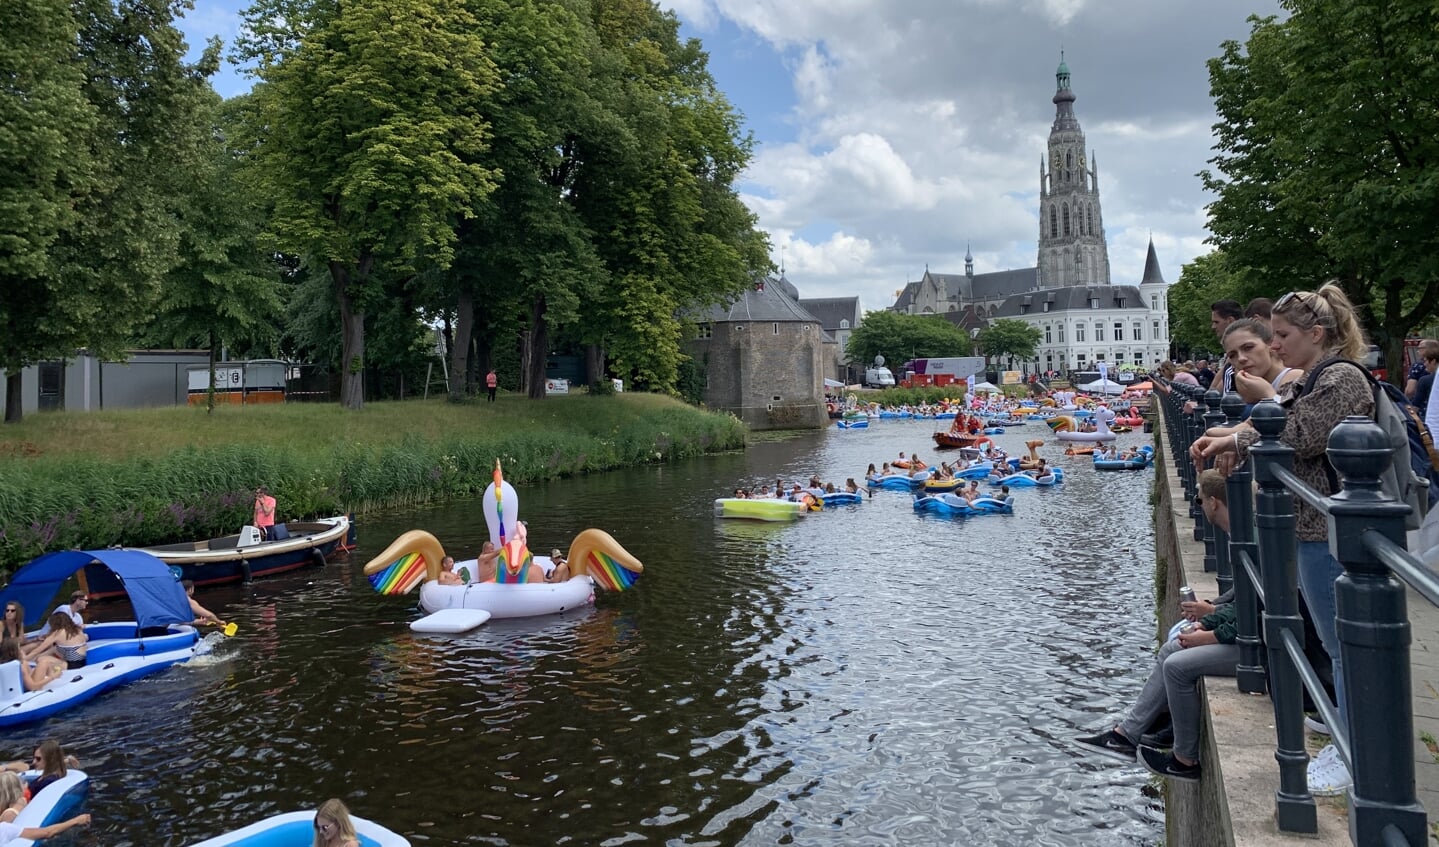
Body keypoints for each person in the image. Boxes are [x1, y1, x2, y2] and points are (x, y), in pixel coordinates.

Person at [1190, 283, 1372, 796]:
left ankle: (1356, 747)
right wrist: (1231, 436)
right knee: (1331, 637)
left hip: (1330, 530)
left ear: (1317, 334)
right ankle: (1343, 723)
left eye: (1284, 335)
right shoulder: (1319, 376)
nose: (1275, 345)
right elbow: (1276, 427)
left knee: (1343, 643)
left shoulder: (1339, 379)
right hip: (1316, 527)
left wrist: (1261, 405)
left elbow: (1293, 435)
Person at [1075, 596, 1239, 782]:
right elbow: (1243, 604)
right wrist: (1206, 624)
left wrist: (1210, 635)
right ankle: (1125, 736)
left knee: (1176, 668)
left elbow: (1253, 618)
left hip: (1257, 648)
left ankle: (1184, 761)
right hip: (1246, 636)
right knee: (1170, 649)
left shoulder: (1274, 570)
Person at [1220, 318, 1302, 405]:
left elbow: (1295, 415)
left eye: (1248, 347)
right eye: (1232, 355)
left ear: (1270, 344)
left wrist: (1267, 394)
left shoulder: (1294, 378)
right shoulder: (1251, 388)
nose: (1241, 358)